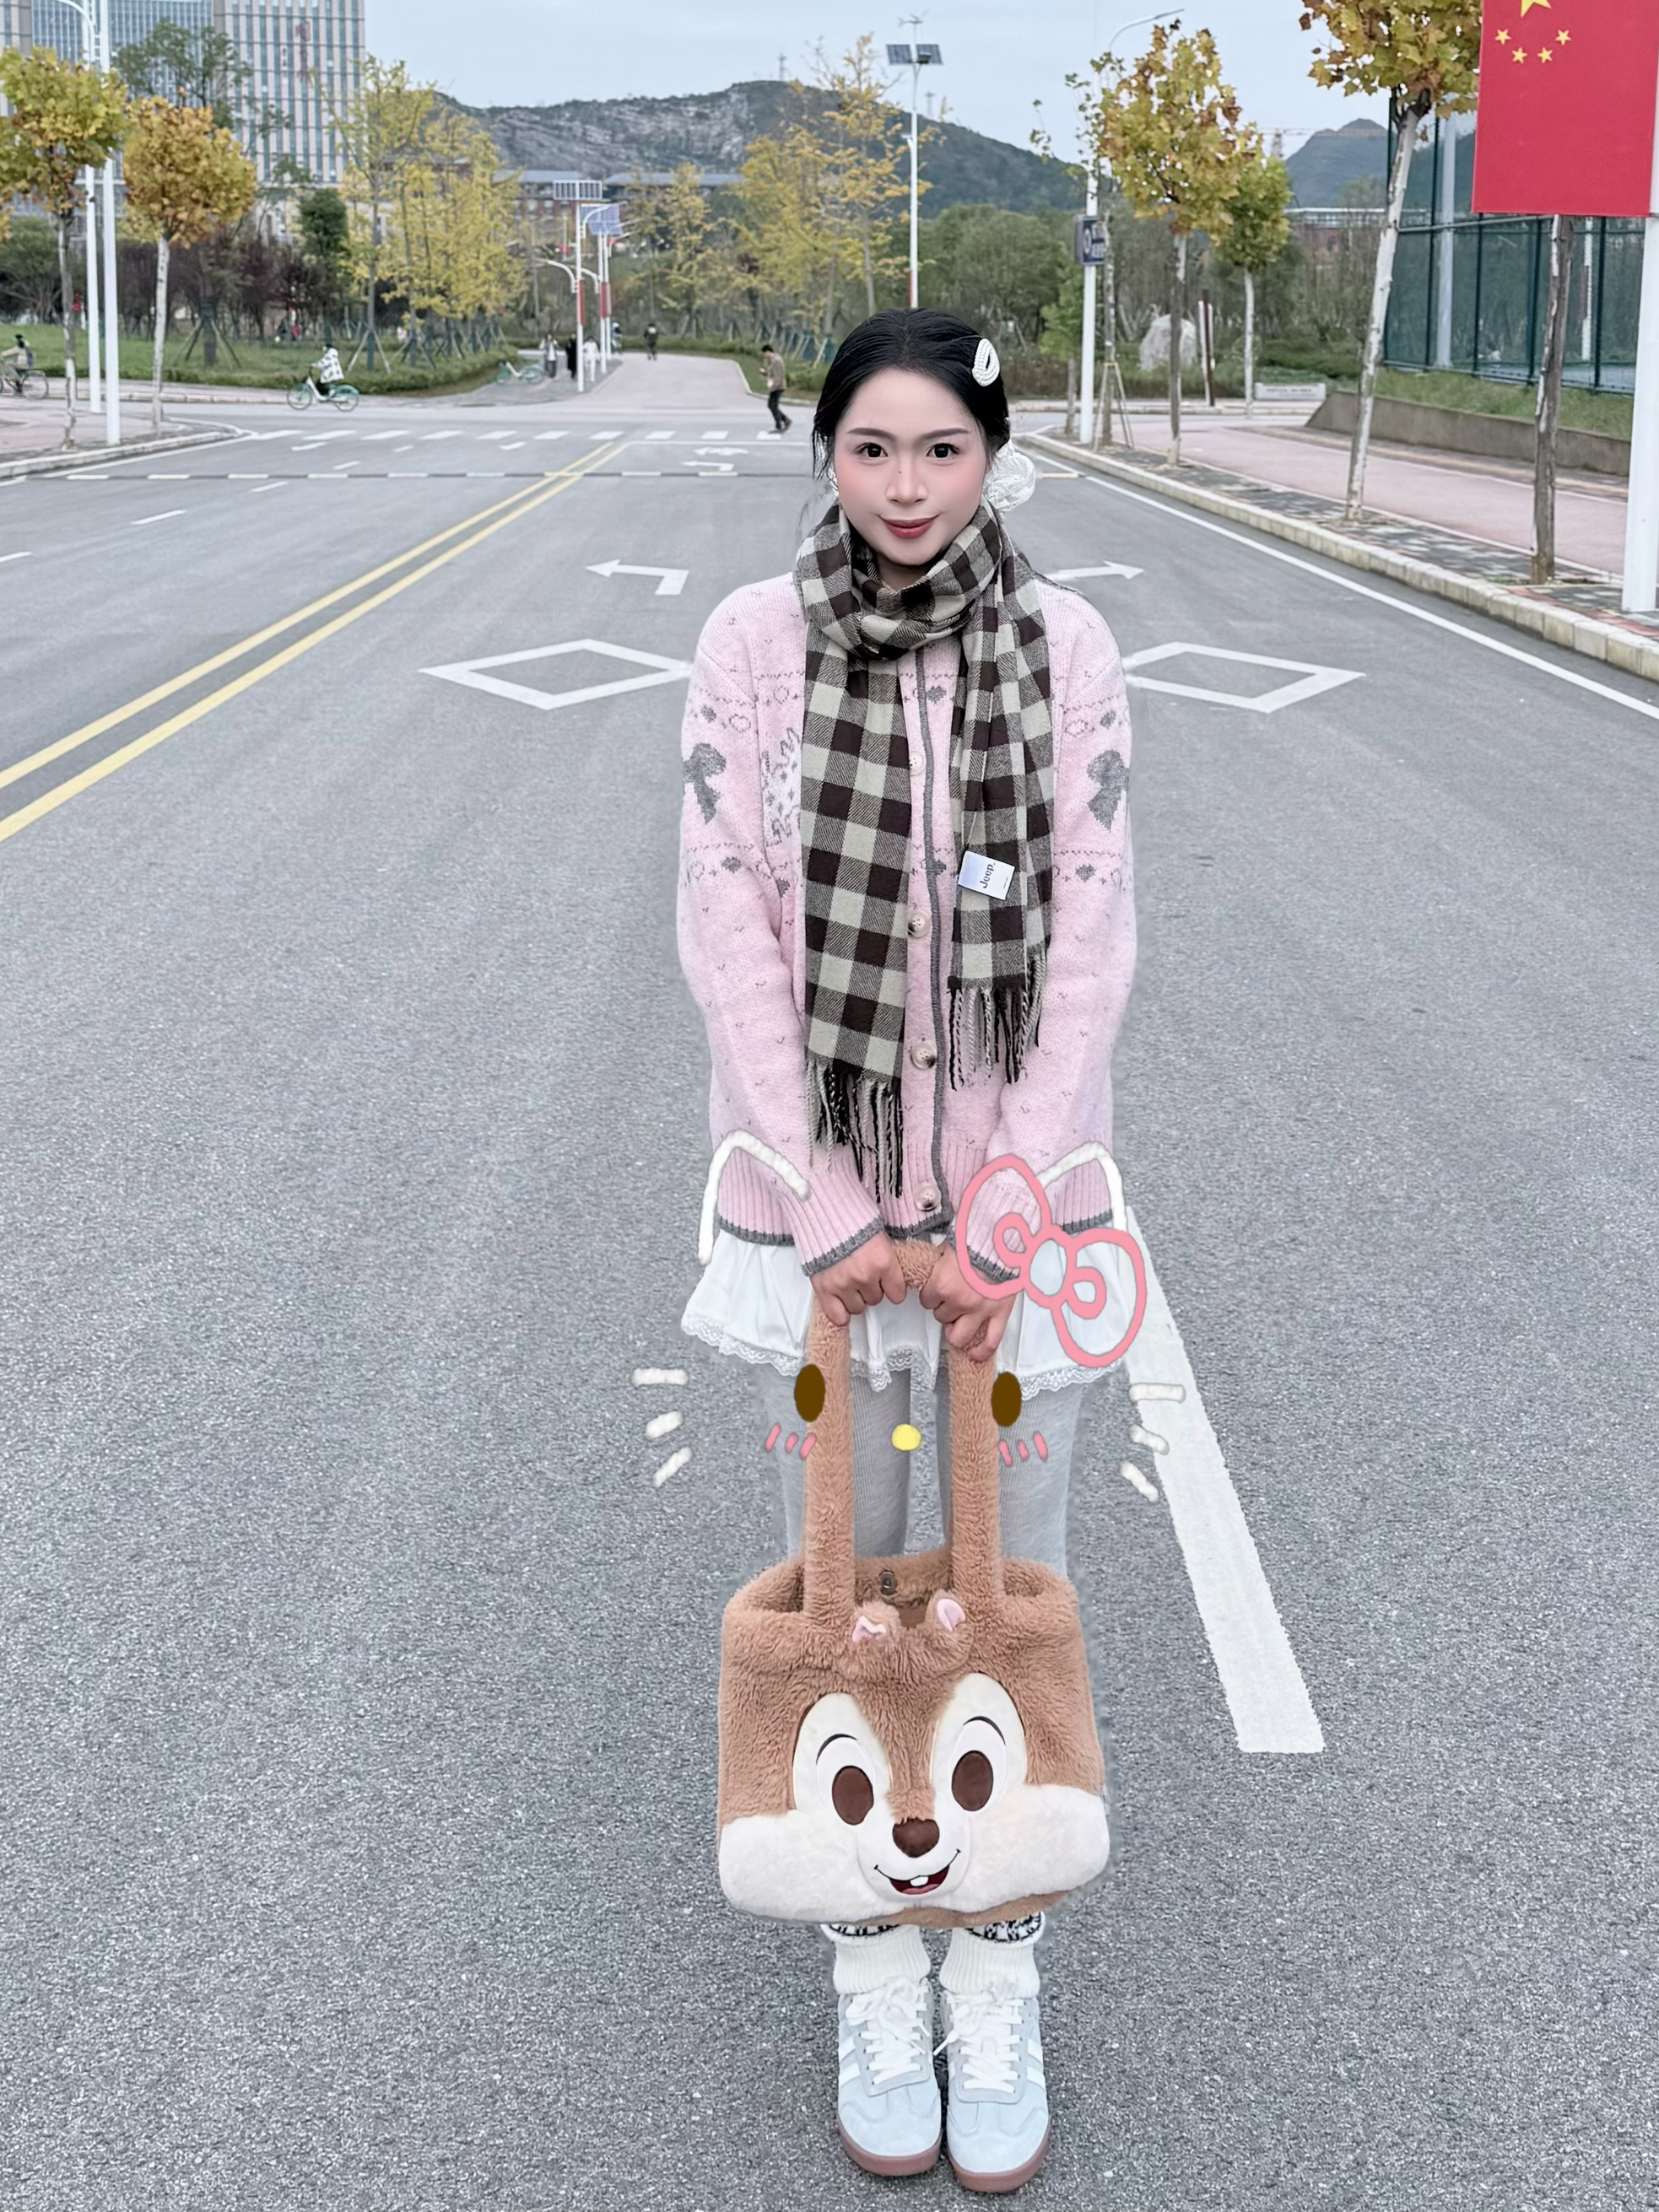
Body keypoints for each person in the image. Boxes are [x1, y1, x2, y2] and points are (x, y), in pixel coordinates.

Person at [677, 309, 1135, 2192]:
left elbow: (1090, 930)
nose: (905, 486)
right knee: (846, 1586)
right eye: (870, 447)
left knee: (1007, 1589)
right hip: (830, 1245)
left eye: (941, 448)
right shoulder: (752, 645)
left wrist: (999, 1216)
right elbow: (724, 922)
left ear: (992, 455)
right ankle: (873, 1957)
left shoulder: (1065, 649)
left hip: (1016, 1249)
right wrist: (835, 1208)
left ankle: (996, 1958)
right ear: (827, 454)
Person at [762, 343, 791, 432]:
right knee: (772, 405)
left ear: (768, 352)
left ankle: (779, 425)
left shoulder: (776, 361)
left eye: (764, 354)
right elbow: (772, 373)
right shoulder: (772, 360)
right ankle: (786, 420)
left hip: (778, 386)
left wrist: (772, 387)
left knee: (772, 405)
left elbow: (779, 376)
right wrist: (764, 373)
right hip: (776, 385)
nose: (764, 356)